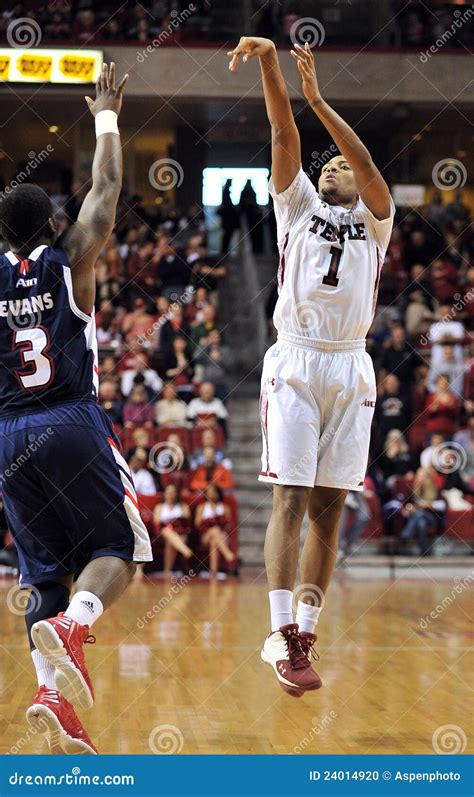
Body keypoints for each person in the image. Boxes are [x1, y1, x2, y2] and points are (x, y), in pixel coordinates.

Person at [228, 37, 394, 696]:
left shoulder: (376, 221)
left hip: (351, 366)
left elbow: (368, 164)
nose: (331, 168)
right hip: (296, 358)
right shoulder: (296, 207)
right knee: (291, 497)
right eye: (325, 167)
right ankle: (278, 631)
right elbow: (282, 133)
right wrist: (274, 67)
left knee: (329, 509)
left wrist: (321, 99)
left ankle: (307, 630)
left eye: (340, 168)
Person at [0, 64, 152, 754]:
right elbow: (109, 188)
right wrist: (108, 116)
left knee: (39, 572)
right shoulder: (71, 257)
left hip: (7, 437)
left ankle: (51, 695)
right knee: (119, 547)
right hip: (69, 418)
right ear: (51, 222)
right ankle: (76, 624)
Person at [195, 485, 236, 577]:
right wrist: (208, 523)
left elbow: (229, 526)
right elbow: (197, 525)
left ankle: (213, 572)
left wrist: (221, 523)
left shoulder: (225, 508)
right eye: (209, 493)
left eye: (214, 492)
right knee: (214, 530)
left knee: (214, 540)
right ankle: (228, 554)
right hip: (206, 536)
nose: (211, 495)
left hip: (222, 536)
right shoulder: (201, 507)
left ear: (218, 494)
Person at [153, 485, 193, 578]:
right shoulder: (159, 507)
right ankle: (186, 551)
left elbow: (186, 523)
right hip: (162, 536)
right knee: (167, 531)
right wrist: (172, 524)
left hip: (180, 536)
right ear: (165, 494)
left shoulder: (183, 506)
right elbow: (157, 525)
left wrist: (175, 526)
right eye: (168, 492)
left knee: (170, 541)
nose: (170, 495)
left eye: (173, 492)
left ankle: (167, 572)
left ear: (176, 494)